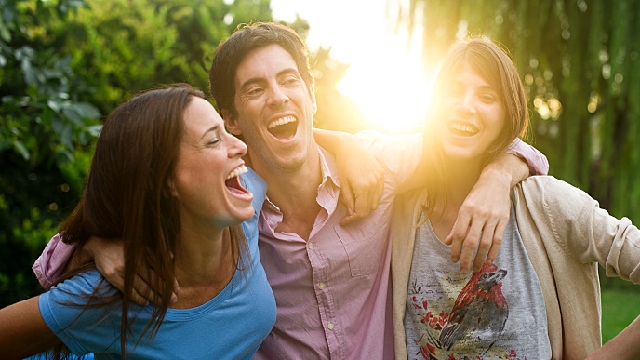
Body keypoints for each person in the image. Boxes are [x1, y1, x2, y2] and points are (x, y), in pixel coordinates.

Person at [32, 23, 548, 359]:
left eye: (289, 81)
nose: (278, 97)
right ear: (231, 119)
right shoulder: (233, 208)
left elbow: (479, 137)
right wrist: (103, 243)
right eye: (255, 89)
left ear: (311, 95)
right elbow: (122, 214)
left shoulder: (378, 166)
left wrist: (498, 177)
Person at [390, 36, 640, 359]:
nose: (465, 105)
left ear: (508, 116)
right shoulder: (399, 208)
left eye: (486, 96)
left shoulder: (546, 203)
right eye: (453, 91)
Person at [0, 84, 276, 359]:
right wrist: (90, 246)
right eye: (213, 140)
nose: (240, 145)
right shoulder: (109, 292)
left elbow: (296, 148)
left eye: (227, 132)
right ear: (164, 179)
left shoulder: (243, 195)